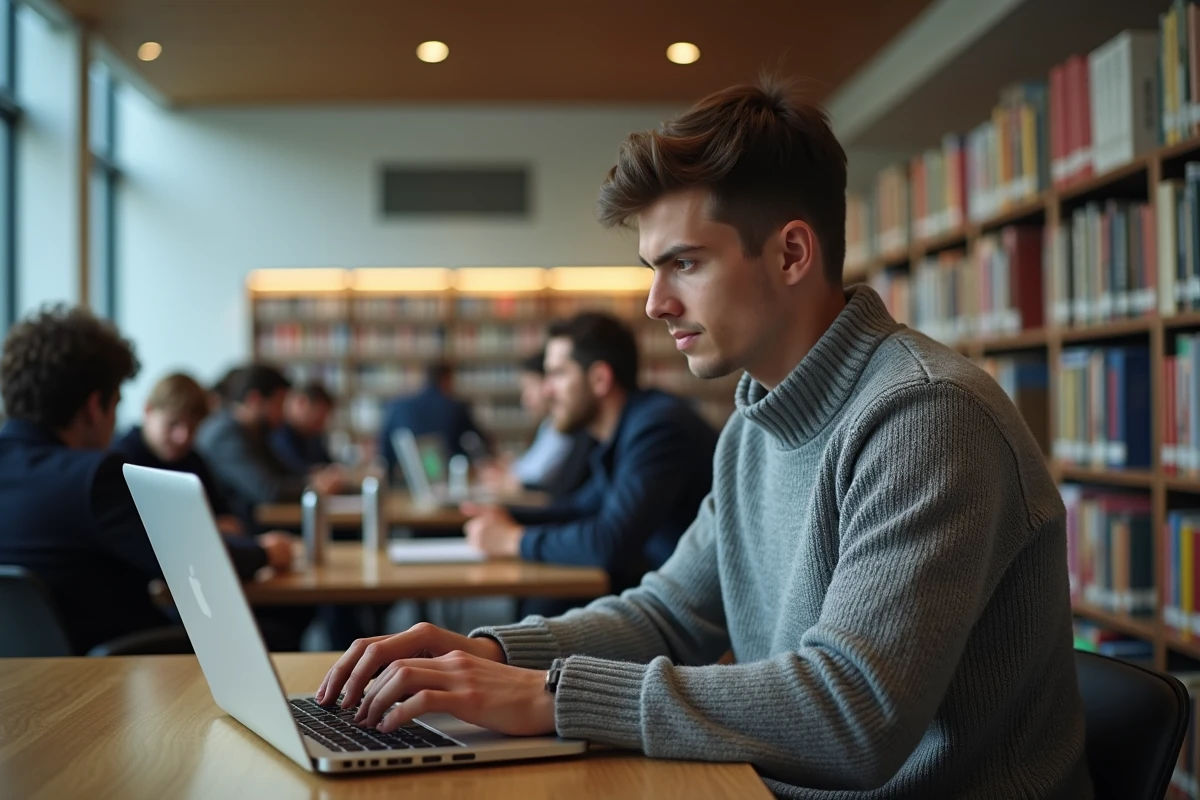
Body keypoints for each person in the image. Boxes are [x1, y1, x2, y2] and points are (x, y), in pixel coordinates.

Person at [316, 79, 1091, 799]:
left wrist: (554, 696)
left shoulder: (927, 416)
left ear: (791, 253)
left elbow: (856, 715)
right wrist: (488, 655)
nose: (655, 303)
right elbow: (668, 615)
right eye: (654, 268)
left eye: (684, 263)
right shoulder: (757, 422)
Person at [0, 306, 292, 654]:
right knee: (277, 637)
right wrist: (263, 553)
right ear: (96, 406)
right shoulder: (95, 477)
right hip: (114, 677)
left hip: (21, 687)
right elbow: (196, 563)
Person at [460, 311, 719, 616]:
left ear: (599, 379)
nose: (546, 390)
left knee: (546, 606)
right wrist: (509, 516)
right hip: (659, 588)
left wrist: (512, 539)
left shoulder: (658, 429)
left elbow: (609, 543)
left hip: (693, 614)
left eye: (557, 374)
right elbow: (583, 508)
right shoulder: (623, 431)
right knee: (543, 603)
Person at [196, 364, 343, 528]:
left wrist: (313, 478)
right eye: (278, 405)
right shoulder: (225, 435)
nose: (283, 414)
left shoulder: (254, 432)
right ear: (255, 399)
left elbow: (284, 472)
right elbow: (268, 490)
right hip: (238, 530)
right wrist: (314, 485)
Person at [113, 372, 245, 536]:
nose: (183, 437)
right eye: (172, 424)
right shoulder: (118, 462)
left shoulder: (193, 460)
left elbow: (230, 522)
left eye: (193, 428)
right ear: (148, 410)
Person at [479, 349, 595, 497]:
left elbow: (560, 491)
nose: (525, 399)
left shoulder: (573, 428)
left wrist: (514, 484)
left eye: (531, 386)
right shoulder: (548, 426)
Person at [378, 362, 488, 485]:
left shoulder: (399, 405)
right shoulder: (456, 407)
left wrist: (389, 480)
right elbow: (480, 441)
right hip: (449, 479)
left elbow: (385, 448)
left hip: (405, 480)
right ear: (447, 379)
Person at [270, 381, 336, 474]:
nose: (321, 426)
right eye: (318, 419)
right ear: (301, 403)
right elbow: (296, 472)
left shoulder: (313, 435)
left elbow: (329, 465)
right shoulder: (277, 431)